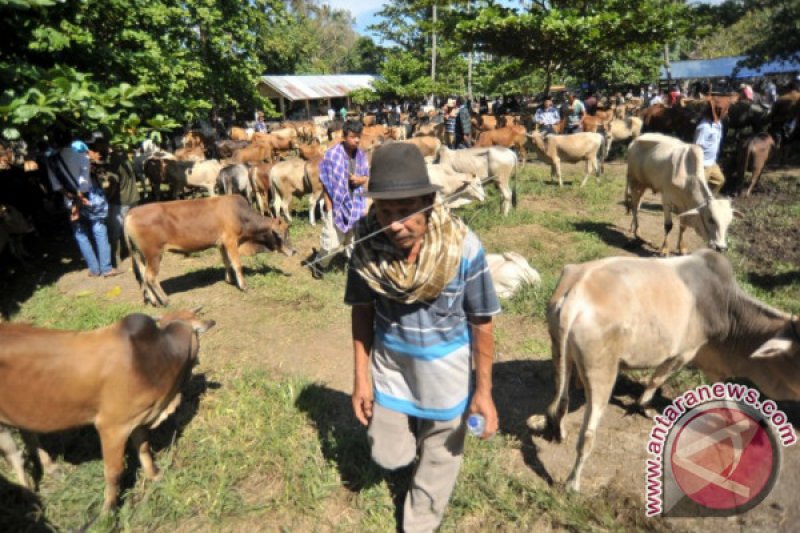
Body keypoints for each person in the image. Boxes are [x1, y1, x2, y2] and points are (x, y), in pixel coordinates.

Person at [346, 142, 500, 532]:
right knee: (390, 455)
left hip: (445, 373)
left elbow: (482, 323)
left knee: (440, 457)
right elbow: (362, 313)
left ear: (429, 203)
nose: (395, 224)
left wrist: (483, 393)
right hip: (391, 368)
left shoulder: (463, 248)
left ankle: (419, 523)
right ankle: (406, 441)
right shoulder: (366, 249)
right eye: (385, 211)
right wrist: (361, 378)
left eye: (405, 211)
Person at [45, 133, 120, 277]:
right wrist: (80, 197)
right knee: (99, 229)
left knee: (80, 234)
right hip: (90, 198)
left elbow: (56, 186)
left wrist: (72, 199)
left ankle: (94, 269)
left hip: (70, 200)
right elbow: (84, 182)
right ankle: (106, 268)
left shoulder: (51, 161)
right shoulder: (82, 156)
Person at [311, 120, 369, 278]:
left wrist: (360, 180)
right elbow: (325, 181)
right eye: (352, 137)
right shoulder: (332, 155)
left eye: (358, 137)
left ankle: (352, 266)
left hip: (355, 203)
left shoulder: (361, 155)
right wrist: (329, 208)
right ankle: (319, 263)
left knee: (352, 239)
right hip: (336, 205)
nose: (356, 140)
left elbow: (366, 176)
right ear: (344, 136)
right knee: (332, 243)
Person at [103, 147, 140, 267]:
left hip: (120, 202)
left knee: (116, 231)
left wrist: (108, 197)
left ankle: (116, 257)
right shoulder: (127, 163)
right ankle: (131, 251)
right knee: (131, 228)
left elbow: (113, 184)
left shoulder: (114, 165)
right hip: (134, 199)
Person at [694, 101, 725, 194]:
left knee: (719, 180)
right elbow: (696, 146)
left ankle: (706, 200)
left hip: (711, 162)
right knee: (697, 188)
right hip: (703, 164)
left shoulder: (718, 124)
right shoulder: (704, 127)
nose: (725, 113)